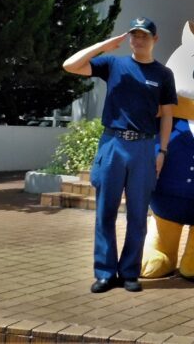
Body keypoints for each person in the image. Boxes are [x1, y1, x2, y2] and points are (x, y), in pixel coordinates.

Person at [63, 17, 177, 293]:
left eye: (144, 36)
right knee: (105, 211)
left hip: (143, 147)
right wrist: (105, 45)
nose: (139, 40)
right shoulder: (113, 64)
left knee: (138, 215)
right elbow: (70, 65)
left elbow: (167, 116)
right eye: (134, 35)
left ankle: (129, 272)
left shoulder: (163, 74)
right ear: (129, 38)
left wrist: (162, 150)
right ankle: (104, 271)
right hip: (112, 143)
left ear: (155, 39)